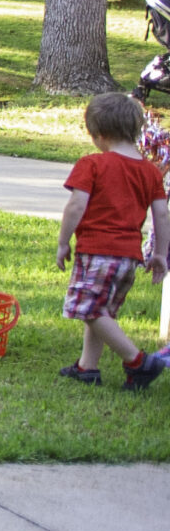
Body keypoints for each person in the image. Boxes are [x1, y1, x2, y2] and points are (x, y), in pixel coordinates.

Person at [56, 91, 169, 387]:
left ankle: (138, 362)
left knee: (88, 308)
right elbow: (162, 215)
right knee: (101, 311)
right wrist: (159, 253)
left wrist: (63, 241)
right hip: (129, 259)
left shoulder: (92, 164)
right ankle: (87, 368)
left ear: (100, 134)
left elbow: (77, 205)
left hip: (97, 253)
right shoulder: (150, 172)